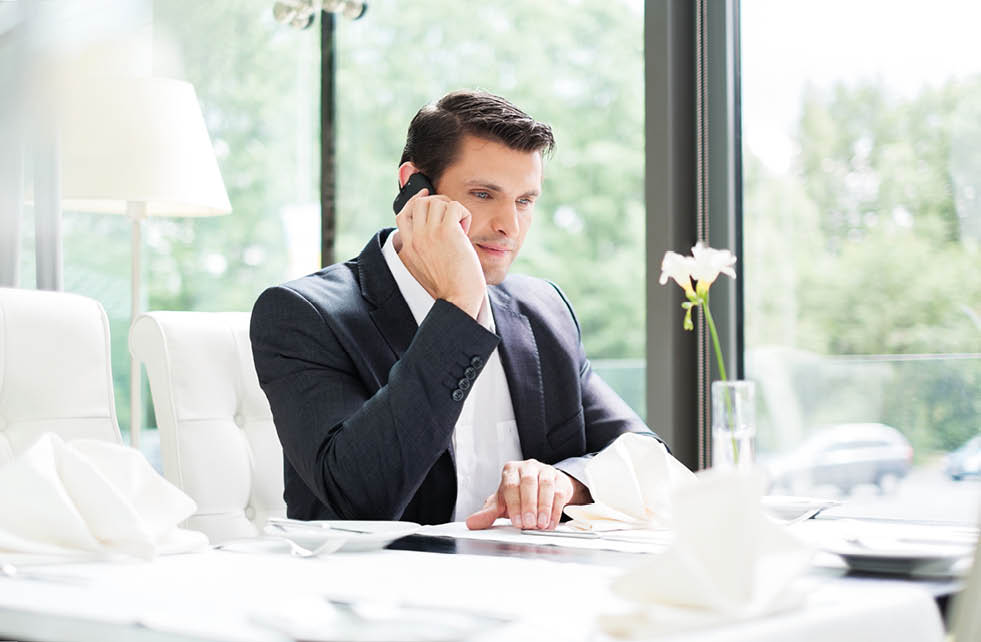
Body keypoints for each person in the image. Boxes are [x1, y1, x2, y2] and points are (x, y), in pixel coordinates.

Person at [250, 90, 659, 531]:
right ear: (415, 189)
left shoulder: (543, 311)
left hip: (531, 581)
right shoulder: (303, 315)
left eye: (524, 201)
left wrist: (566, 481)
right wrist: (460, 307)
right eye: (484, 194)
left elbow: (645, 456)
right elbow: (360, 499)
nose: (510, 226)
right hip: (378, 587)